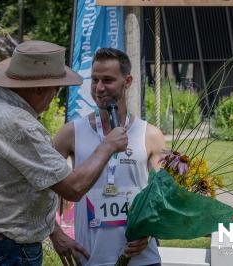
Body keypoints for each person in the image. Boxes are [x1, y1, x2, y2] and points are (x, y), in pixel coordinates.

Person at [0, 41, 128, 266]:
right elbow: (73, 188)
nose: (52, 100)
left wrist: (52, 231)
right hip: (11, 251)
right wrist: (108, 145)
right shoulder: (19, 124)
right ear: (38, 88)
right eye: (54, 91)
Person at [53, 48, 165, 266]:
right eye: (94, 80)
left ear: (128, 81)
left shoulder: (150, 135)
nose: (99, 88)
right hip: (91, 257)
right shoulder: (71, 133)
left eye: (108, 80)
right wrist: (56, 233)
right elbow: (40, 188)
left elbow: (165, 198)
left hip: (142, 258)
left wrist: (150, 232)